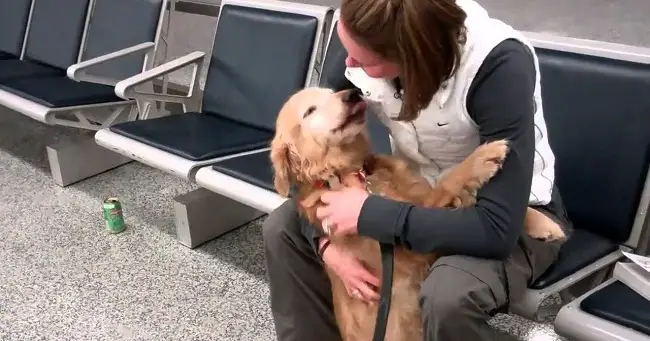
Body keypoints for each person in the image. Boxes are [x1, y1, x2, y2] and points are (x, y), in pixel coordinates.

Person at [263, 0, 573, 340]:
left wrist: (371, 214)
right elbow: (302, 158)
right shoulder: (365, 33)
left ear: (410, 56)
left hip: (508, 214)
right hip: (419, 194)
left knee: (446, 297)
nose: (348, 64)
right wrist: (326, 246)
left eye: (364, 60)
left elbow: (496, 230)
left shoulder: (498, 65)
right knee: (282, 227)